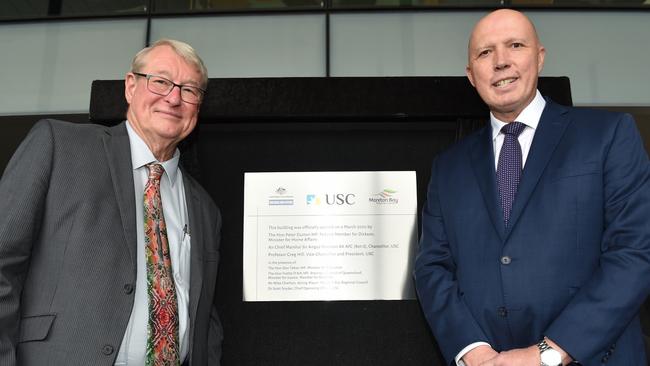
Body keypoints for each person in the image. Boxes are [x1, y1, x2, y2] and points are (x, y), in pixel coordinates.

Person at [414, 9, 650, 366]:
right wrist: (472, 352)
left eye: (515, 45)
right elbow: (432, 267)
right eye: (485, 53)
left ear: (539, 57)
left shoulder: (608, 135)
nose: (501, 61)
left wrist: (549, 353)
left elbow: (635, 252)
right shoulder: (448, 167)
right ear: (471, 75)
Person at [0, 39, 222, 365]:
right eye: (160, 82)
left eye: (189, 90)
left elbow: (206, 319)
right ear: (131, 87)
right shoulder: (60, 146)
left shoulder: (205, 209)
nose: (174, 98)